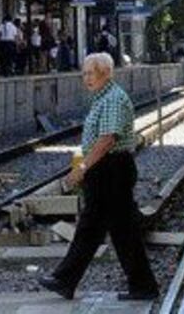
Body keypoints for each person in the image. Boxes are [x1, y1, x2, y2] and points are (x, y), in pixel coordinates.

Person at [39, 53, 159, 302]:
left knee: (99, 227)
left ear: (105, 73)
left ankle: (67, 280)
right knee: (110, 229)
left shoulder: (112, 99)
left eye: (90, 73)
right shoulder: (102, 98)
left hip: (111, 169)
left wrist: (81, 168)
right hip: (107, 170)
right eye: (84, 74)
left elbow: (106, 140)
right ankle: (140, 285)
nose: (86, 79)